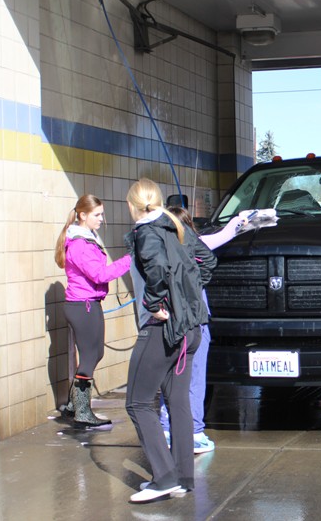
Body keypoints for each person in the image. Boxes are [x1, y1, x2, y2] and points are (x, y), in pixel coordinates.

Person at [124, 179, 216, 503]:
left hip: (163, 330)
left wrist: (157, 304)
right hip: (192, 330)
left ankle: (163, 478)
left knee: (137, 402)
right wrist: (188, 300)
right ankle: (182, 478)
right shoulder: (177, 226)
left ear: (133, 205)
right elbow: (208, 262)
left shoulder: (144, 230)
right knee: (177, 401)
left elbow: (158, 269)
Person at [158, 206, 247, 454]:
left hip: (168, 322)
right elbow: (227, 233)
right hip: (196, 322)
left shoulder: (160, 250)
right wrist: (243, 220)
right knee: (195, 378)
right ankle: (195, 432)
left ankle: (166, 429)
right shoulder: (197, 245)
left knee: (169, 378)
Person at [55, 194, 131, 428]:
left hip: (89, 303)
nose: (101, 219)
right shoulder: (79, 244)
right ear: (83, 215)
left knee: (95, 353)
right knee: (90, 356)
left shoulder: (88, 239)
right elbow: (100, 274)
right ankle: (82, 411)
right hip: (82, 305)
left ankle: (73, 406)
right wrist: (131, 259)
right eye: (97, 215)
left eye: (101, 214)